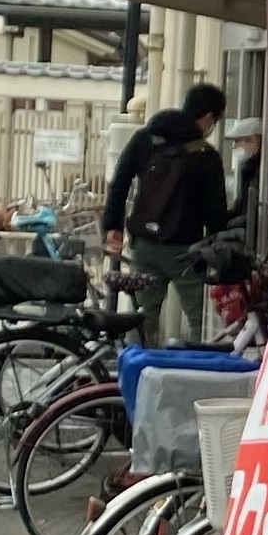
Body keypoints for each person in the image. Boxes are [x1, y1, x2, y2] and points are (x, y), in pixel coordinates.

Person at [104, 79, 229, 342]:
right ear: (208, 117)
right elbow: (216, 210)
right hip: (187, 250)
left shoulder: (145, 139)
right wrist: (218, 244)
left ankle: (138, 364)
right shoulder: (206, 155)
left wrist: (113, 225)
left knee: (143, 317)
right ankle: (196, 366)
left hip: (145, 245)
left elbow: (119, 182)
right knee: (199, 319)